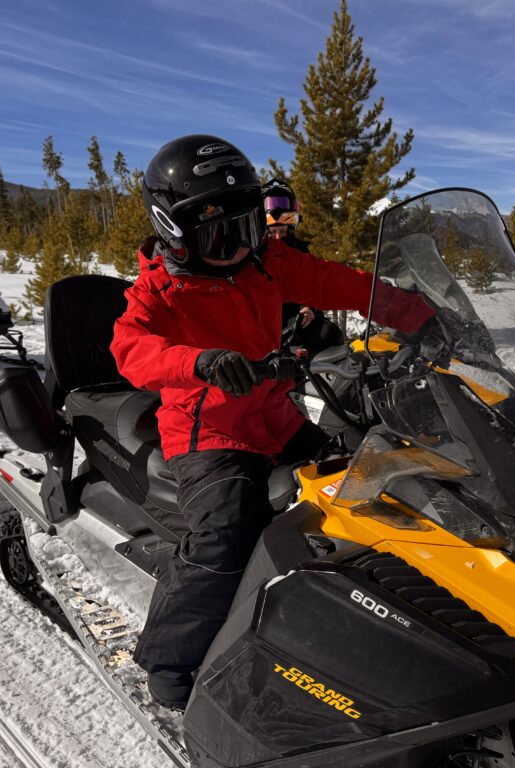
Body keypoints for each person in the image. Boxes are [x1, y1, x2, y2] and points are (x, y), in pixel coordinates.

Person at [110, 134, 430, 709]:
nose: (235, 247)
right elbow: (131, 350)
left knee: (363, 486)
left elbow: (344, 284)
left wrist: (422, 314)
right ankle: (170, 659)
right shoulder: (159, 288)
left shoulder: (269, 263)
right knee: (224, 533)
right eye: (216, 233)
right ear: (174, 231)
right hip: (207, 433)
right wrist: (198, 362)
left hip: (276, 419)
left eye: (246, 227)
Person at [261, 179, 345, 357]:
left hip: (296, 321)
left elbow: (316, 284)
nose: (277, 238)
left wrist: (310, 309)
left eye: (282, 232)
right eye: (272, 232)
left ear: (290, 229)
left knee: (329, 333)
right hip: (264, 324)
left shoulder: (301, 252)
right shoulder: (251, 255)